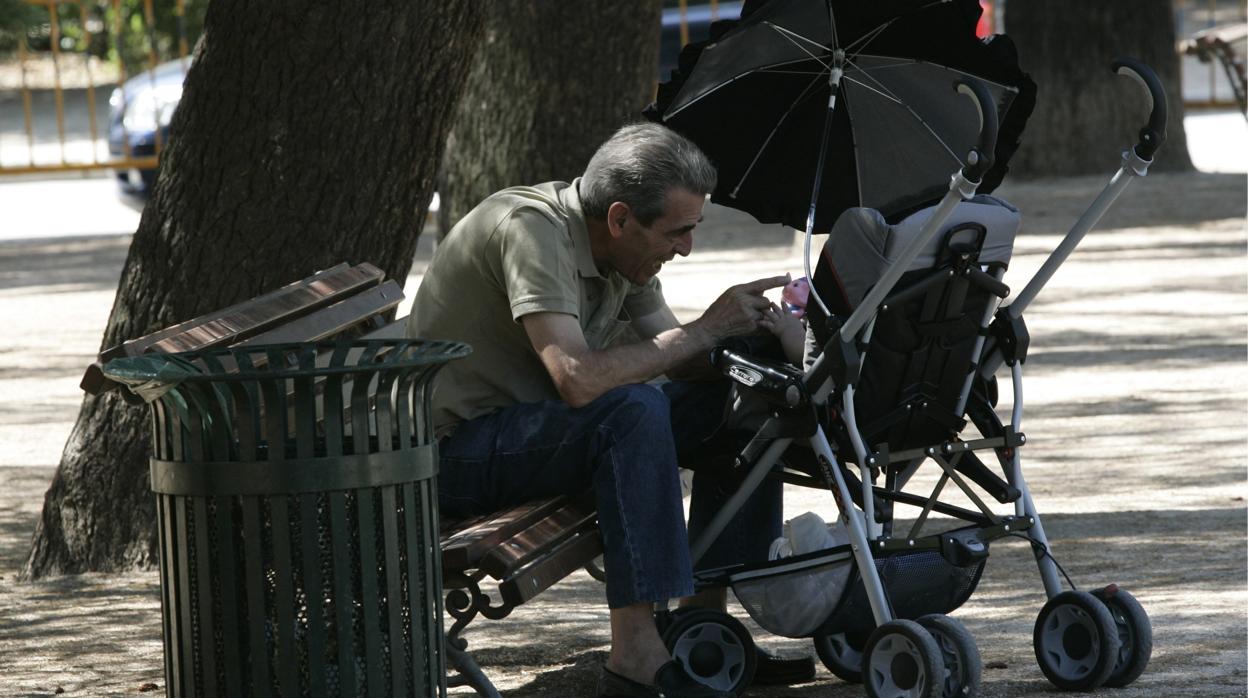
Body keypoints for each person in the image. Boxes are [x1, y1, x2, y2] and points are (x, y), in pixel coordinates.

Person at [408, 123, 814, 697]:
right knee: (632, 413)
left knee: (738, 398)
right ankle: (637, 657)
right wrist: (705, 330)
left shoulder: (626, 255)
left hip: (538, 435)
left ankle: (703, 628)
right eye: (678, 232)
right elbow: (576, 380)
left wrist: (754, 335)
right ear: (621, 218)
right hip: (453, 455)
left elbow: (677, 357)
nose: (688, 249)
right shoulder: (531, 231)